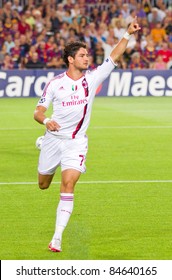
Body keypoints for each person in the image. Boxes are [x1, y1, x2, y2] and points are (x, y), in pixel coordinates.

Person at [33, 17, 141, 253]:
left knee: (68, 183)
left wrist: (127, 34)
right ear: (71, 59)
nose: (87, 58)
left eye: (87, 55)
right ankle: (42, 143)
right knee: (43, 184)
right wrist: (48, 121)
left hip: (76, 143)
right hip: (53, 140)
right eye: (82, 55)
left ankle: (57, 238)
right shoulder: (54, 84)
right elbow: (38, 111)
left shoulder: (91, 79)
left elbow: (113, 57)